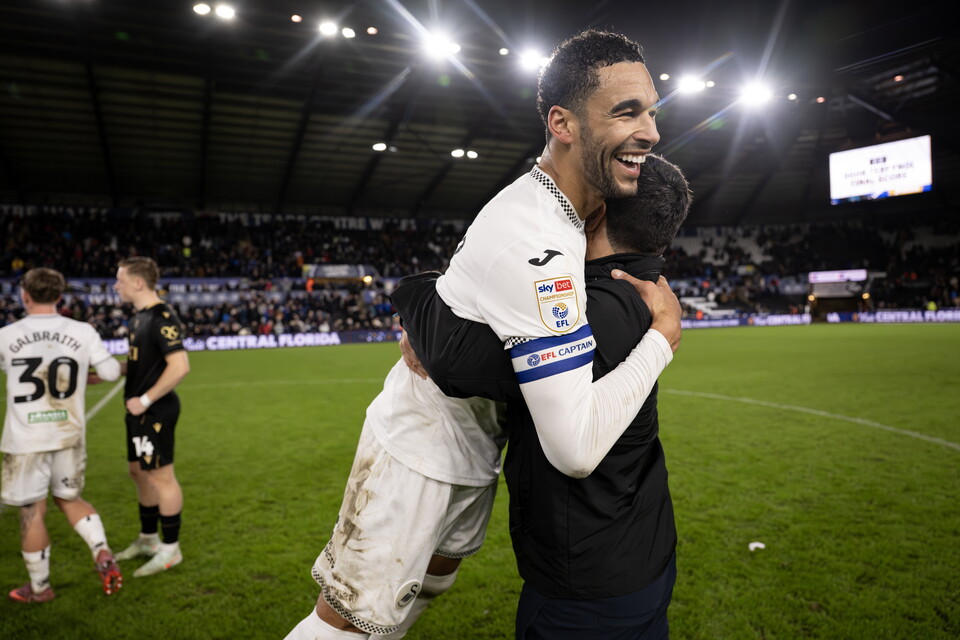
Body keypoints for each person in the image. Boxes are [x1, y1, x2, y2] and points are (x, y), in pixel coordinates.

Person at [285, 29, 681, 640]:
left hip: (473, 444)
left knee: (432, 584)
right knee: (352, 625)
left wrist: (427, 314)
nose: (651, 131)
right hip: (423, 448)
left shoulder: (569, 217)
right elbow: (575, 448)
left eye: (651, 111)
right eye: (626, 111)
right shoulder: (540, 241)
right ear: (563, 123)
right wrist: (661, 339)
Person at [400, 154, 692, 638]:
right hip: (644, 552)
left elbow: (451, 360)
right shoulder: (641, 293)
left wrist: (418, 297)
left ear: (596, 211)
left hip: (585, 584)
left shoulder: (587, 313)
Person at [0, 267, 123, 602]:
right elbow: (112, 371)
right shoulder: (81, 330)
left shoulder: (8, 335)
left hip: (26, 439)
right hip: (68, 434)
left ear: (24, 295)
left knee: (31, 512)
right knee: (69, 498)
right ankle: (102, 550)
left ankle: (40, 588)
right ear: (59, 296)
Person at [112, 256, 190, 577]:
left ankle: (171, 550)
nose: (116, 286)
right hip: (139, 411)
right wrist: (111, 370)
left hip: (154, 411)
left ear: (138, 282)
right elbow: (144, 364)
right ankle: (148, 539)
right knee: (139, 472)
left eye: (120, 280)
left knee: (161, 478)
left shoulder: (161, 316)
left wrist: (144, 399)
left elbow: (180, 365)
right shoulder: (139, 318)